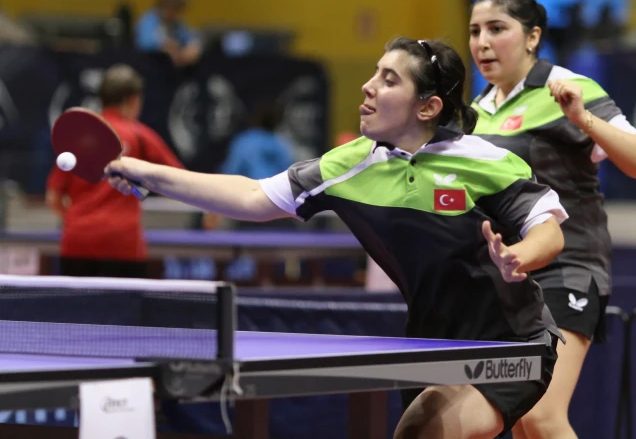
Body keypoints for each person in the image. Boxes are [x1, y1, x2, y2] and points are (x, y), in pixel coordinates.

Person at [106, 37, 569, 439]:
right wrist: (152, 174)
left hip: (512, 342)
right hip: (431, 343)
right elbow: (252, 197)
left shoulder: (483, 161)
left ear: (427, 107)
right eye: (374, 73)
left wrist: (519, 256)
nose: (368, 86)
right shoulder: (349, 164)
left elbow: (548, 228)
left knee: (420, 433)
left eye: (389, 80)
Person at [468, 0, 636, 439]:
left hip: (569, 266)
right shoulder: (477, 111)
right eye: (475, 31)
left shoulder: (570, 88)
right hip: (510, 276)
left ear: (533, 36)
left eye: (497, 29)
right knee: (519, 419)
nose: (482, 42)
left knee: (541, 414)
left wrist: (581, 118)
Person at [45, 64, 186, 278]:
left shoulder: (78, 137)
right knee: (124, 312)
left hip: (78, 242)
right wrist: (212, 208)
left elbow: (53, 198)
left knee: (76, 312)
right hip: (123, 245)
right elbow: (179, 179)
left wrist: (78, 222)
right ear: (133, 100)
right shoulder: (140, 135)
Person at [135, 0, 202, 67]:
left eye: (178, 10)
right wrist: (164, 45)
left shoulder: (177, 23)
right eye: (174, 8)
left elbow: (189, 36)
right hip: (150, 65)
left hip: (173, 68)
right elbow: (144, 42)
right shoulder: (149, 19)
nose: (175, 13)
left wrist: (193, 46)